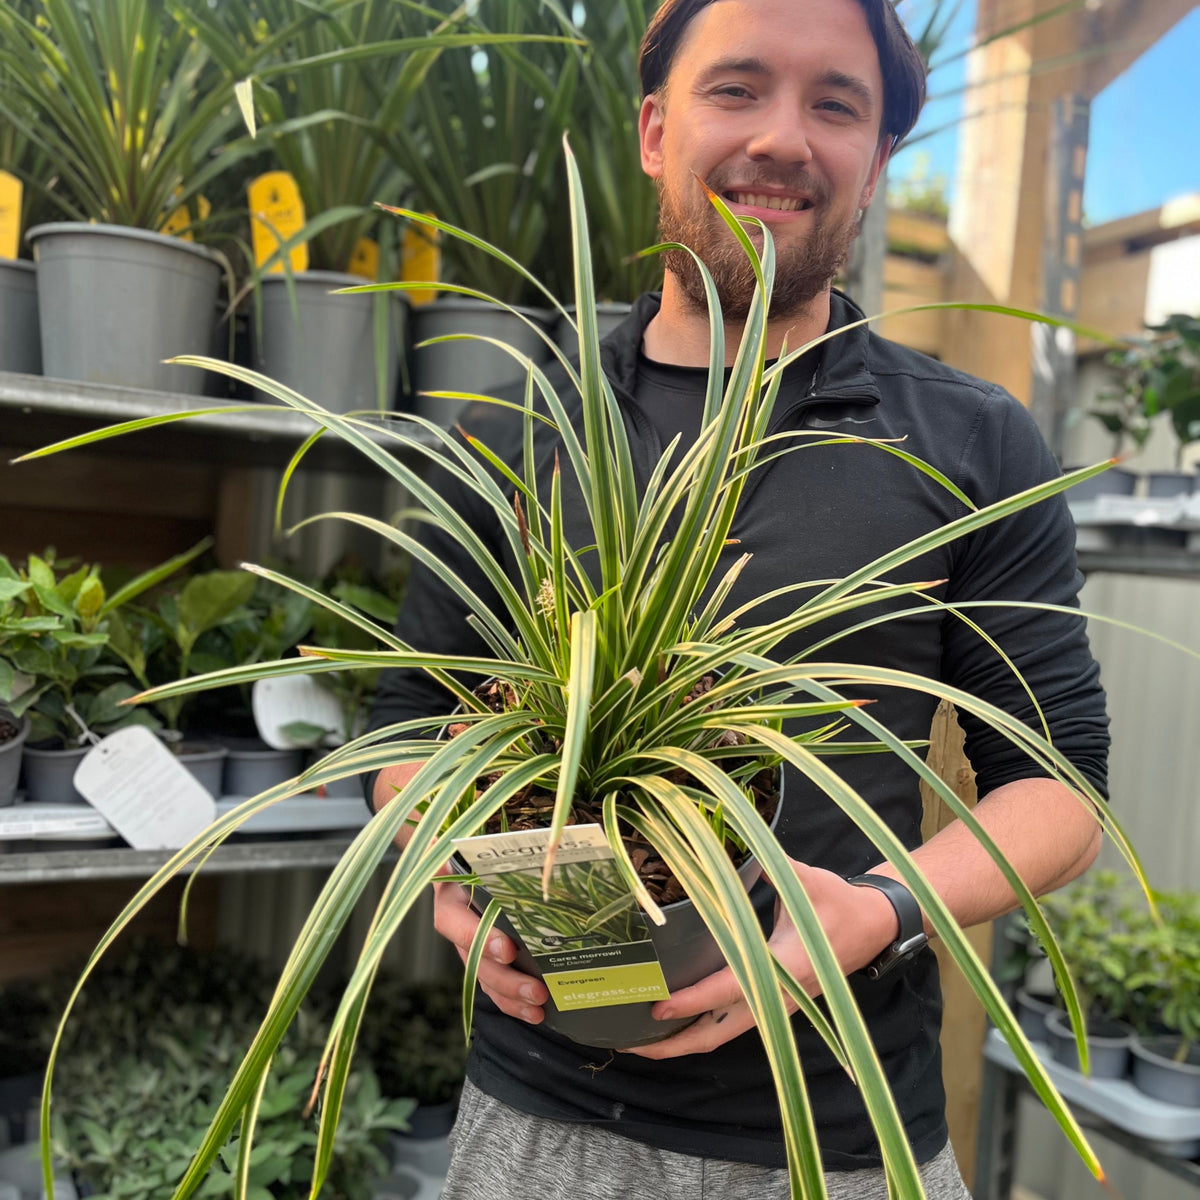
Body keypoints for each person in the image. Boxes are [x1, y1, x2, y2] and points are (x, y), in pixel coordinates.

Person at [365, 1, 1110, 1196]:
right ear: (657, 129)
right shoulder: (515, 429)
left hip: (840, 1139)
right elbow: (412, 730)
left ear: (875, 162)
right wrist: (454, 880)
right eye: (738, 88)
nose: (782, 138)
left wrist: (874, 911)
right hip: (533, 1122)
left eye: (836, 105)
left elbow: (1060, 784)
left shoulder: (969, 444)